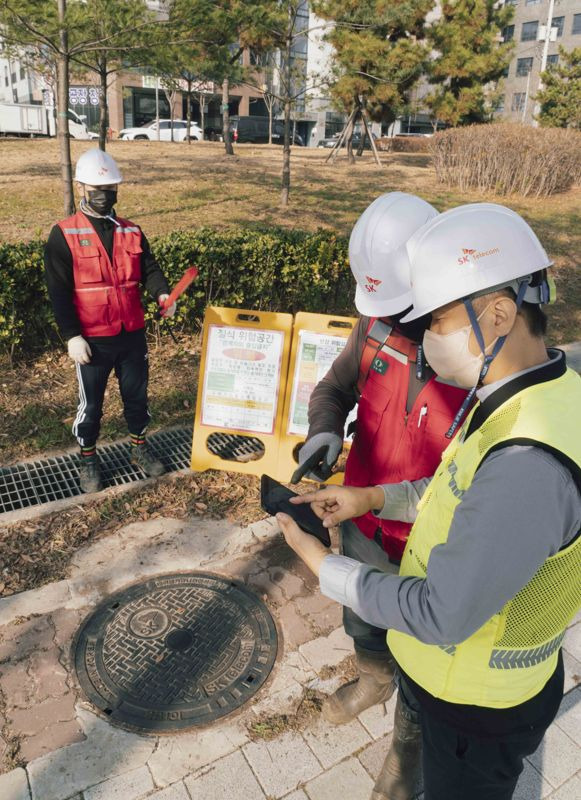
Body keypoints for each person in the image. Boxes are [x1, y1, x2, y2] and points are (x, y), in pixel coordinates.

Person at [278, 202, 581, 800]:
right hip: (418, 596)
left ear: (497, 313)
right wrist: (368, 493)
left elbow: (441, 612)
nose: (423, 331)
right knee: (373, 629)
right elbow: (453, 485)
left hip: (473, 705)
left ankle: (403, 757)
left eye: (435, 319)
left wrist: (322, 567)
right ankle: (378, 682)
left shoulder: (526, 455)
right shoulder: (520, 395)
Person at [293, 192, 468, 734]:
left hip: (434, 536)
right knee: (363, 611)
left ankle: (413, 733)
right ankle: (373, 677)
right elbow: (336, 385)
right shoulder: (373, 325)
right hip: (363, 513)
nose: (389, 315)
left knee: (427, 642)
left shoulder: (475, 353)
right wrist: (323, 434)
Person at [44, 148, 177, 493]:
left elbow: (149, 269)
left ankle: (139, 449)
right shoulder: (64, 234)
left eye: (110, 188)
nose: (104, 195)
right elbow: (59, 291)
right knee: (91, 405)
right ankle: (88, 458)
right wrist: (71, 336)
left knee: (137, 398)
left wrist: (162, 294)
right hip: (92, 340)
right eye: (96, 188)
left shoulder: (131, 231)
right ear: (82, 188)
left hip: (131, 334)